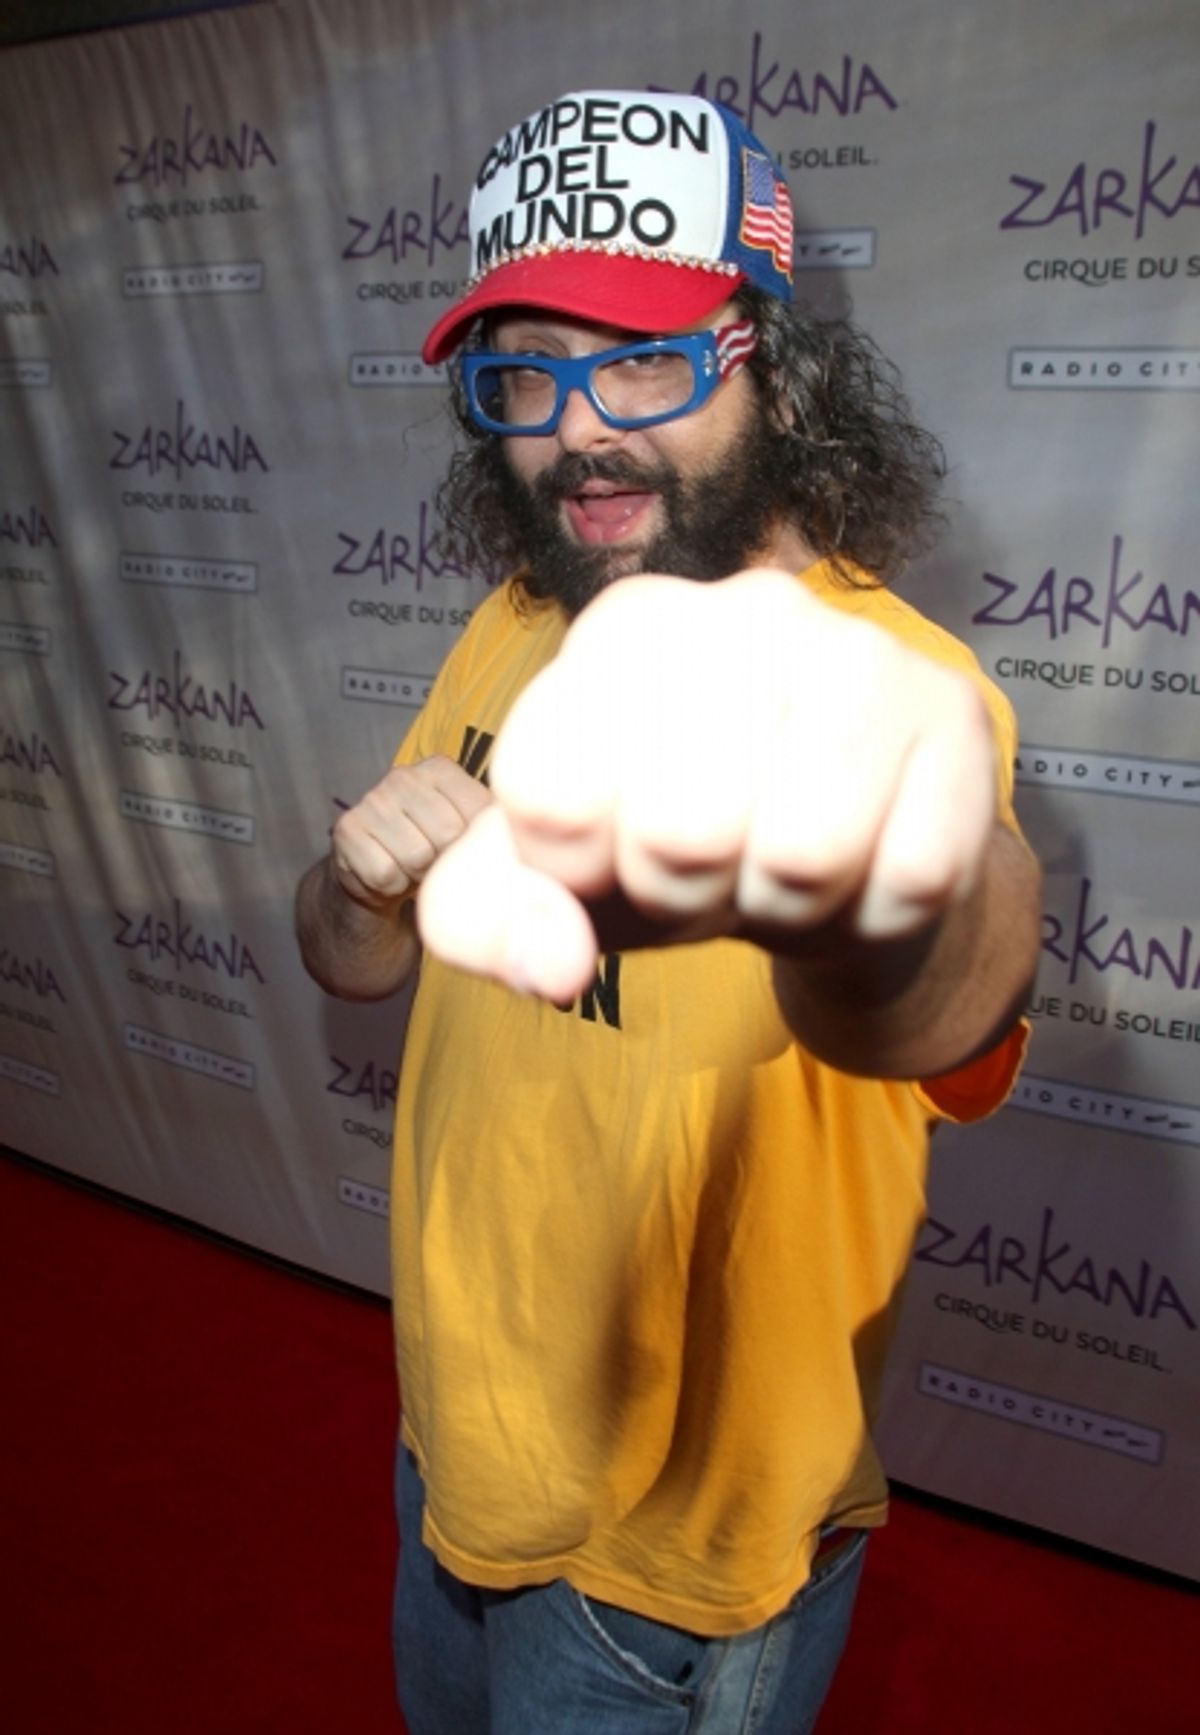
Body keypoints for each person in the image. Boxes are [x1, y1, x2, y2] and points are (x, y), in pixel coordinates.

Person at [296, 88, 1041, 1735]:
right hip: (455, 1459)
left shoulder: (898, 688)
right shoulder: (515, 614)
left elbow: (942, 1020)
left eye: (645, 361)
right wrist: (357, 883)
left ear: (771, 364)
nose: (581, 431)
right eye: (527, 377)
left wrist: (897, 903)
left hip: (668, 1561)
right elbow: (348, 962)